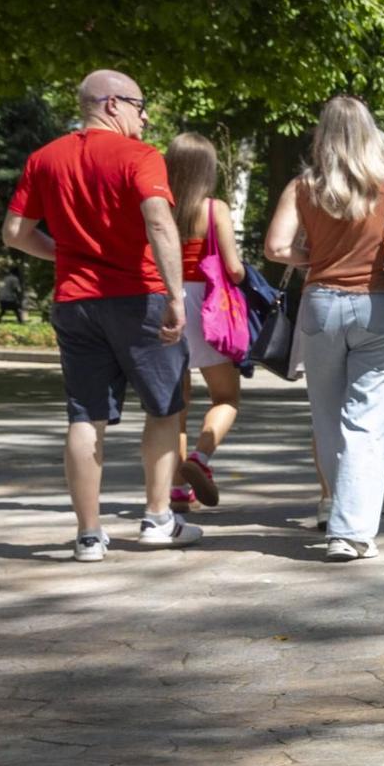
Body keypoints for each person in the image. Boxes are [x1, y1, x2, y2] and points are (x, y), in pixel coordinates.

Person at [1, 69, 200, 561]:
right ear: (112, 104)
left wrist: (67, 256)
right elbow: (158, 219)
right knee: (164, 407)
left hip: (75, 302)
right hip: (140, 296)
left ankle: (89, 535)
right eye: (139, 103)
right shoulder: (140, 156)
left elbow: (14, 233)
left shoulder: (44, 159)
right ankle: (157, 519)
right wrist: (176, 295)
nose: (146, 114)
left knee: (85, 415)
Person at [263, 96, 384, 562]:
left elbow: (276, 247)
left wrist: (316, 259)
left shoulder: (304, 186)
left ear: (322, 134)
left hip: (321, 306)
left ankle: (337, 510)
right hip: (380, 307)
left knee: (326, 414)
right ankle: (350, 531)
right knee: (368, 418)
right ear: (369, 132)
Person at [161, 133, 247, 512]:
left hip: (165, 304)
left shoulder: (157, 205)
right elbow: (232, 267)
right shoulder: (215, 209)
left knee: (176, 404)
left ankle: (178, 490)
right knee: (226, 397)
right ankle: (200, 458)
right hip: (208, 309)